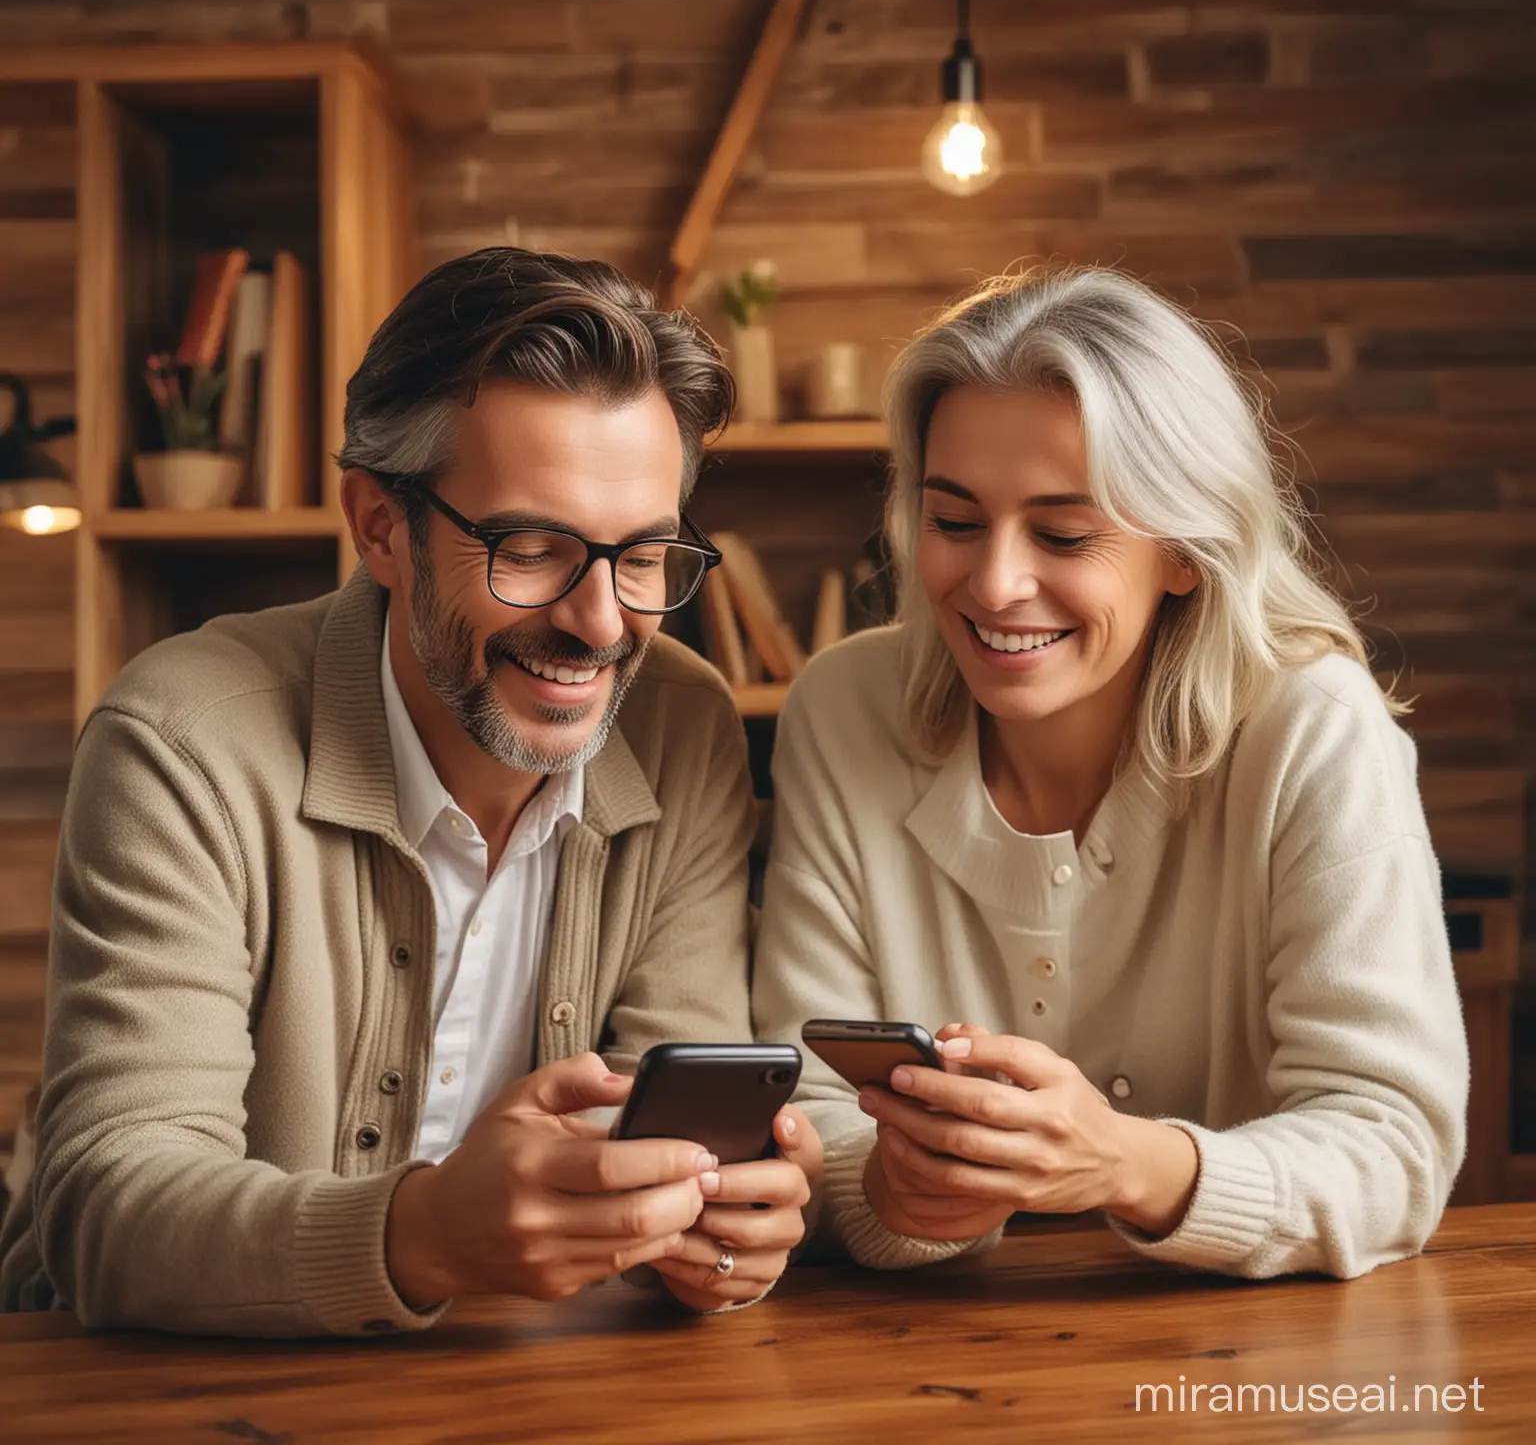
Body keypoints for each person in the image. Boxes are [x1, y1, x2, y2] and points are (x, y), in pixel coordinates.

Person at [0, 248, 818, 1335]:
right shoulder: (184, 742)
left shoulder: (684, 725)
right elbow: (106, 1209)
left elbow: (673, 1149)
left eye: (646, 555)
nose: (604, 625)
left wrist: (720, 1230)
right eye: (532, 548)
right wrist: (422, 1234)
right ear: (381, 526)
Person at [752, 265, 1467, 1280]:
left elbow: (1396, 1149)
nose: (994, 583)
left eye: (1063, 533)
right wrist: (892, 1189)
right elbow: (809, 1112)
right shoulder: (843, 710)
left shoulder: (1314, 726)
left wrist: (1123, 1165)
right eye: (955, 521)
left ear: (1187, 548)